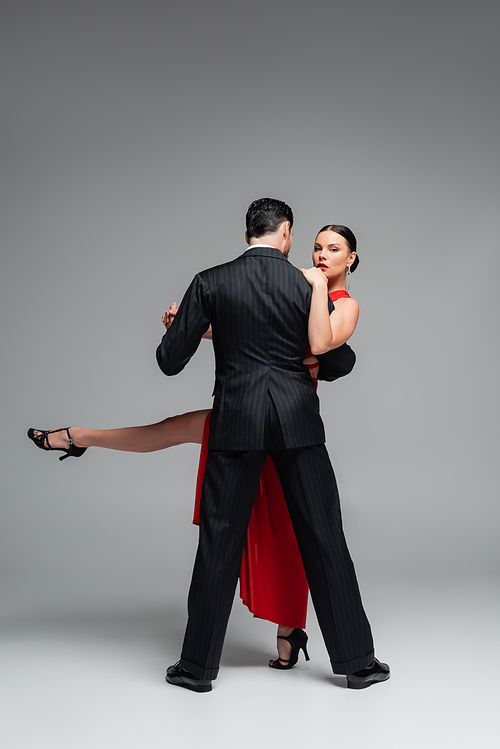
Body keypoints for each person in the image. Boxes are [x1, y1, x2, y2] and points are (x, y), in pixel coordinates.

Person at [27, 221, 357, 669]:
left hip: (255, 417)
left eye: (333, 250)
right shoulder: (296, 282)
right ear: (289, 235)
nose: (321, 256)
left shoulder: (330, 297)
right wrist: (197, 325)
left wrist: (194, 323)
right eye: (318, 247)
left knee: (273, 535)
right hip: (286, 422)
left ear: (350, 259)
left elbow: (323, 345)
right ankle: (319, 645)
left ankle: (215, 658)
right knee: (304, 532)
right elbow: (255, 331)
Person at [156, 197, 389, 692]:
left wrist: (184, 326)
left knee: (219, 542)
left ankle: (197, 669)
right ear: (285, 233)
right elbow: (328, 353)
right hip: (297, 420)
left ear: (248, 235)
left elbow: (169, 361)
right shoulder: (309, 285)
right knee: (325, 537)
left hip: (236, 419)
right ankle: (359, 664)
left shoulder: (211, 281)